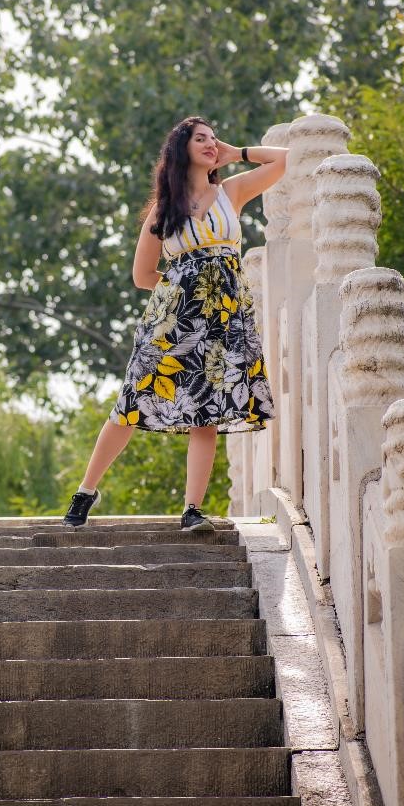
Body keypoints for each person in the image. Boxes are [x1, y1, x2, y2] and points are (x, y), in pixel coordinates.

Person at [62, 115, 286, 531]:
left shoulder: (230, 192)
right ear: (180, 149)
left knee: (206, 411)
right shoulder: (163, 211)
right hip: (174, 319)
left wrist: (237, 153)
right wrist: (183, 287)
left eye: (213, 138)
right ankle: (85, 491)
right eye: (201, 138)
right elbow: (142, 276)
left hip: (224, 315)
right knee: (133, 401)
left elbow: (285, 160)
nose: (210, 143)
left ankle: (192, 509)